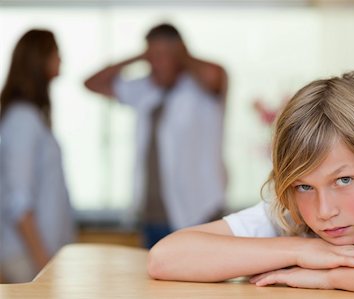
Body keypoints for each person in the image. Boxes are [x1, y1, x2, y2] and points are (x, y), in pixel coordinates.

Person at [147, 70, 354, 299]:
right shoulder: (292, 213)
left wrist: (333, 276)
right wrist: (299, 249)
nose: (324, 211)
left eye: (343, 180)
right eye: (304, 186)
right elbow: (166, 257)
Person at [84, 23, 227, 248]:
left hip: (198, 211)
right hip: (152, 216)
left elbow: (216, 74)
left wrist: (181, 55)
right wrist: (139, 56)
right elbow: (92, 83)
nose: (154, 63)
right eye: (150, 56)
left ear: (180, 53)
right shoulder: (146, 88)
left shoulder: (199, 89)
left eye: (161, 56)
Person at [0, 29, 75, 283]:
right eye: (56, 53)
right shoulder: (22, 120)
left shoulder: (32, 118)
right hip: (29, 260)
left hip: (40, 259)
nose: (61, 59)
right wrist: (44, 265)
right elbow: (20, 203)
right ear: (39, 59)